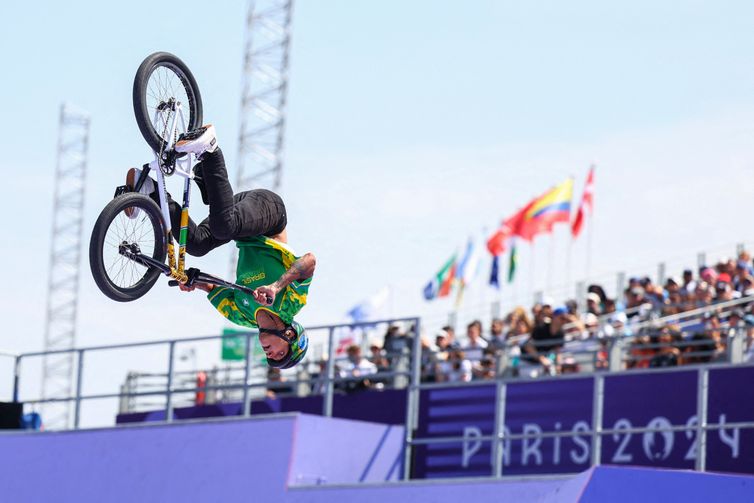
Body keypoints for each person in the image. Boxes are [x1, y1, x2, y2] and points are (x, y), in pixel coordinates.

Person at [125, 125, 315, 369]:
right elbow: (309, 261)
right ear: (290, 336)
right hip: (269, 215)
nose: (268, 353)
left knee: (196, 244)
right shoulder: (291, 304)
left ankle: (151, 191)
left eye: (270, 358)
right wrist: (277, 287)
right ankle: (210, 149)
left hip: (237, 226)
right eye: (278, 355)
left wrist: (194, 282)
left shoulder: (241, 316)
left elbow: (213, 287)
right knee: (224, 226)